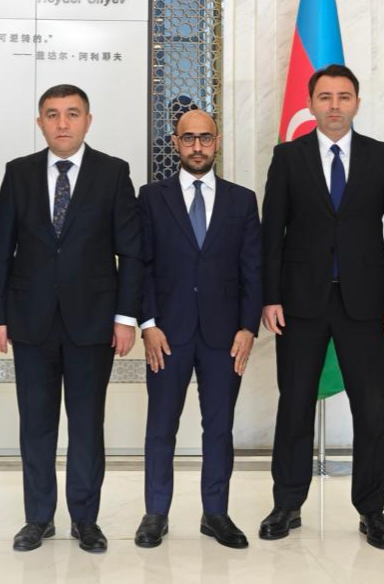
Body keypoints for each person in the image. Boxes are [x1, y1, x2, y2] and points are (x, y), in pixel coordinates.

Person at [259, 64, 384, 551]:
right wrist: (270, 296)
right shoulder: (288, 157)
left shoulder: (382, 157)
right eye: (324, 97)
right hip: (299, 302)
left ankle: (372, 510)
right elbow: (271, 233)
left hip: (366, 303)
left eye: (343, 97)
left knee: (370, 408)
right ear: (310, 104)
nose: (334, 106)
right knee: (294, 404)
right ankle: (287, 504)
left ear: (357, 103)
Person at [0, 84, 142, 554]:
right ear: (40, 122)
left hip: (93, 321)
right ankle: (38, 518)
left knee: (87, 424)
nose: (62, 123)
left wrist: (126, 317)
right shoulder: (18, 173)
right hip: (30, 319)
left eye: (72, 114)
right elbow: (1, 248)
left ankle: (85, 519)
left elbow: (131, 252)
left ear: (88, 121)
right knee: (36, 424)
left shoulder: (113, 173)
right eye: (52, 114)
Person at [134, 108, 262, 550]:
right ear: (175, 143)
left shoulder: (242, 200)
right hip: (166, 334)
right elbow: (141, 266)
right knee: (161, 426)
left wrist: (248, 327)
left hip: (224, 336)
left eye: (205, 138)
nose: (197, 147)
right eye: (188, 138)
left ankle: (216, 513)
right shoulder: (151, 197)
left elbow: (252, 269)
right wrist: (148, 323)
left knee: (219, 427)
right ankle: (156, 513)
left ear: (217, 141)